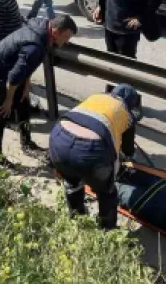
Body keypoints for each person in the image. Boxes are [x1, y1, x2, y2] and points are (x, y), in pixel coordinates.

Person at [0, 14, 77, 166]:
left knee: (24, 104)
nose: (66, 42)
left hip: (9, 69)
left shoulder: (42, 25)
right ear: (56, 32)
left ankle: (27, 143)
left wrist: (26, 85)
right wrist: (9, 100)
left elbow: (25, 65)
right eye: (66, 37)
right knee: (3, 113)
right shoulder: (36, 46)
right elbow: (14, 76)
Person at [49, 84, 143, 230]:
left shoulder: (95, 97)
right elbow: (128, 150)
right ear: (130, 103)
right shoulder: (125, 111)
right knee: (107, 192)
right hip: (91, 149)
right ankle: (107, 231)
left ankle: (78, 221)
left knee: (72, 182)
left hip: (58, 138)